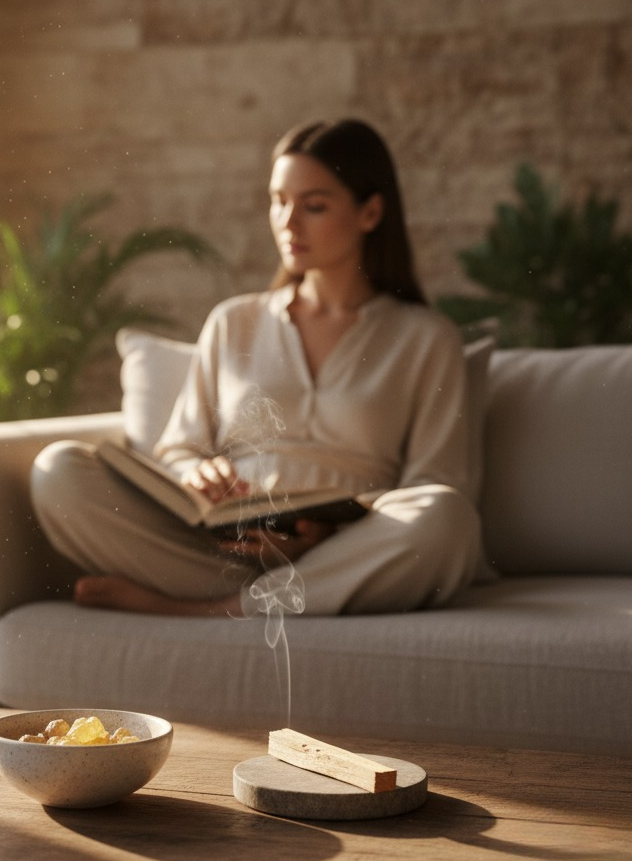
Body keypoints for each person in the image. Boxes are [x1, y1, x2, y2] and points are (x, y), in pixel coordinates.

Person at [30, 118, 484, 618]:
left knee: (447, 517)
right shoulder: (234, 321)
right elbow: (179, 448)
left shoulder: (425, 338)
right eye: (277, 201)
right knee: (58, 471)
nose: (288, 223)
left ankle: (209, 611)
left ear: (371, 212)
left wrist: (327, 535)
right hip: (218, 551)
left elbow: (436, 480)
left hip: (346, 555)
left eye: (313, 206)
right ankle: (254, 599)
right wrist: (196, 472)